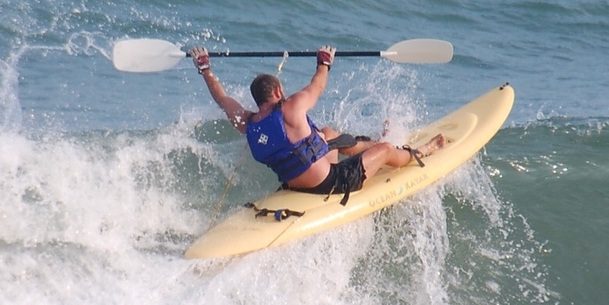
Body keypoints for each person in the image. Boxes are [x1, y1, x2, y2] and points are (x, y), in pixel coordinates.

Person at [190, 45, 446, 196]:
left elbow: (222, 98)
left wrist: (205, 68)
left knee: (326, 133)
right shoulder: (290, 107)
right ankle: (420, 151)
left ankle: (371, 145)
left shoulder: (248, 122)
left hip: (295, 186)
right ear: (278, 92)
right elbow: (317, 87)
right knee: (386, 150)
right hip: (331, 183)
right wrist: (324, 62)